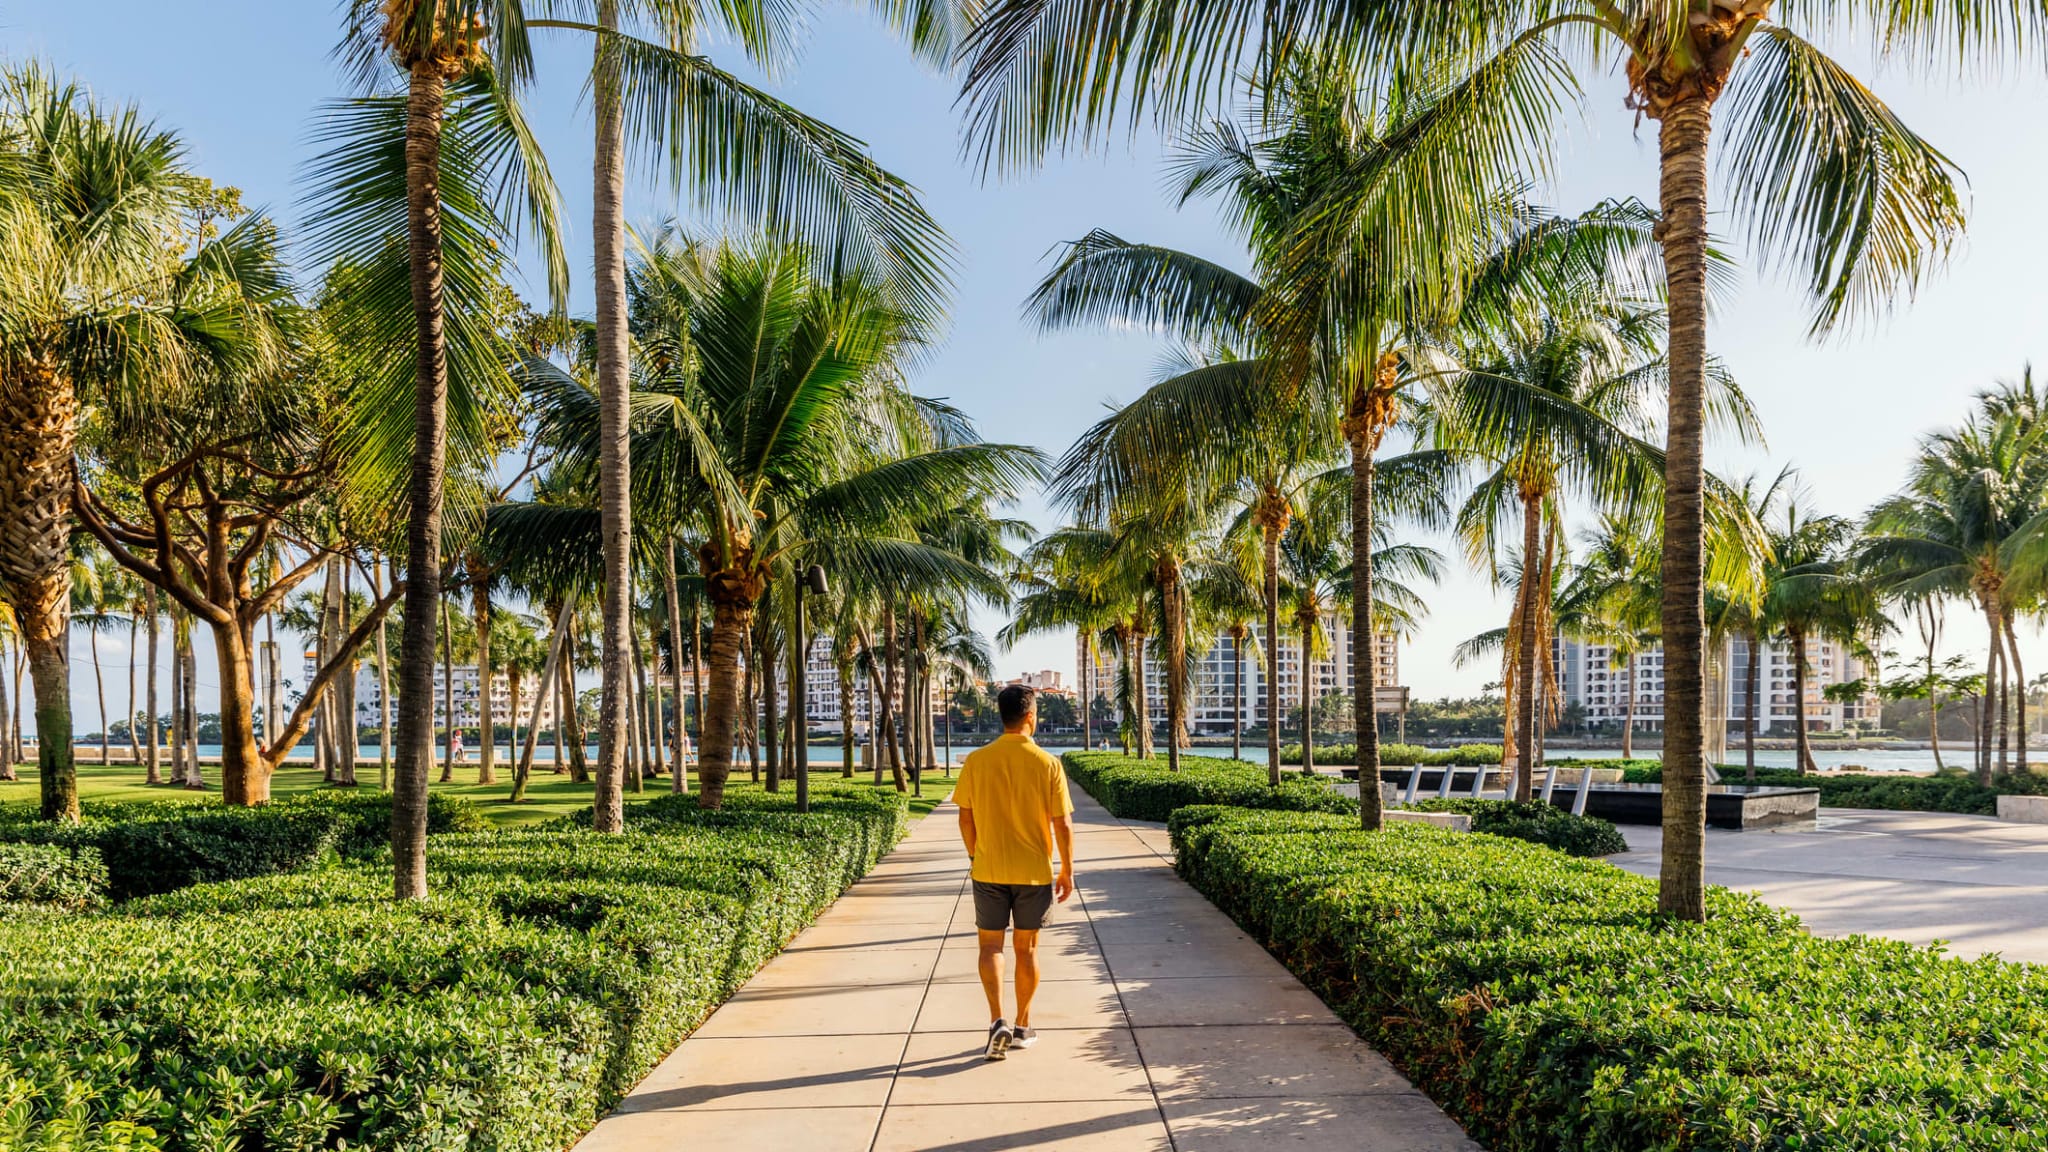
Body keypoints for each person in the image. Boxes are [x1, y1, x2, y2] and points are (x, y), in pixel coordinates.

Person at [954, 684, 1075, 1061]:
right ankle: (1023, 1026)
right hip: (1034, 873)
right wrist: (1067, 870)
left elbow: (965, 817)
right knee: (1027, 949)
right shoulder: (1048, 763)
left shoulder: (977, 761)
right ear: (1030, 717)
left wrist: (976, 855)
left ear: (1001, 716)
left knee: (991, 946)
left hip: (989, 869)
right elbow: (1063, 824)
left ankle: (996, 1021)